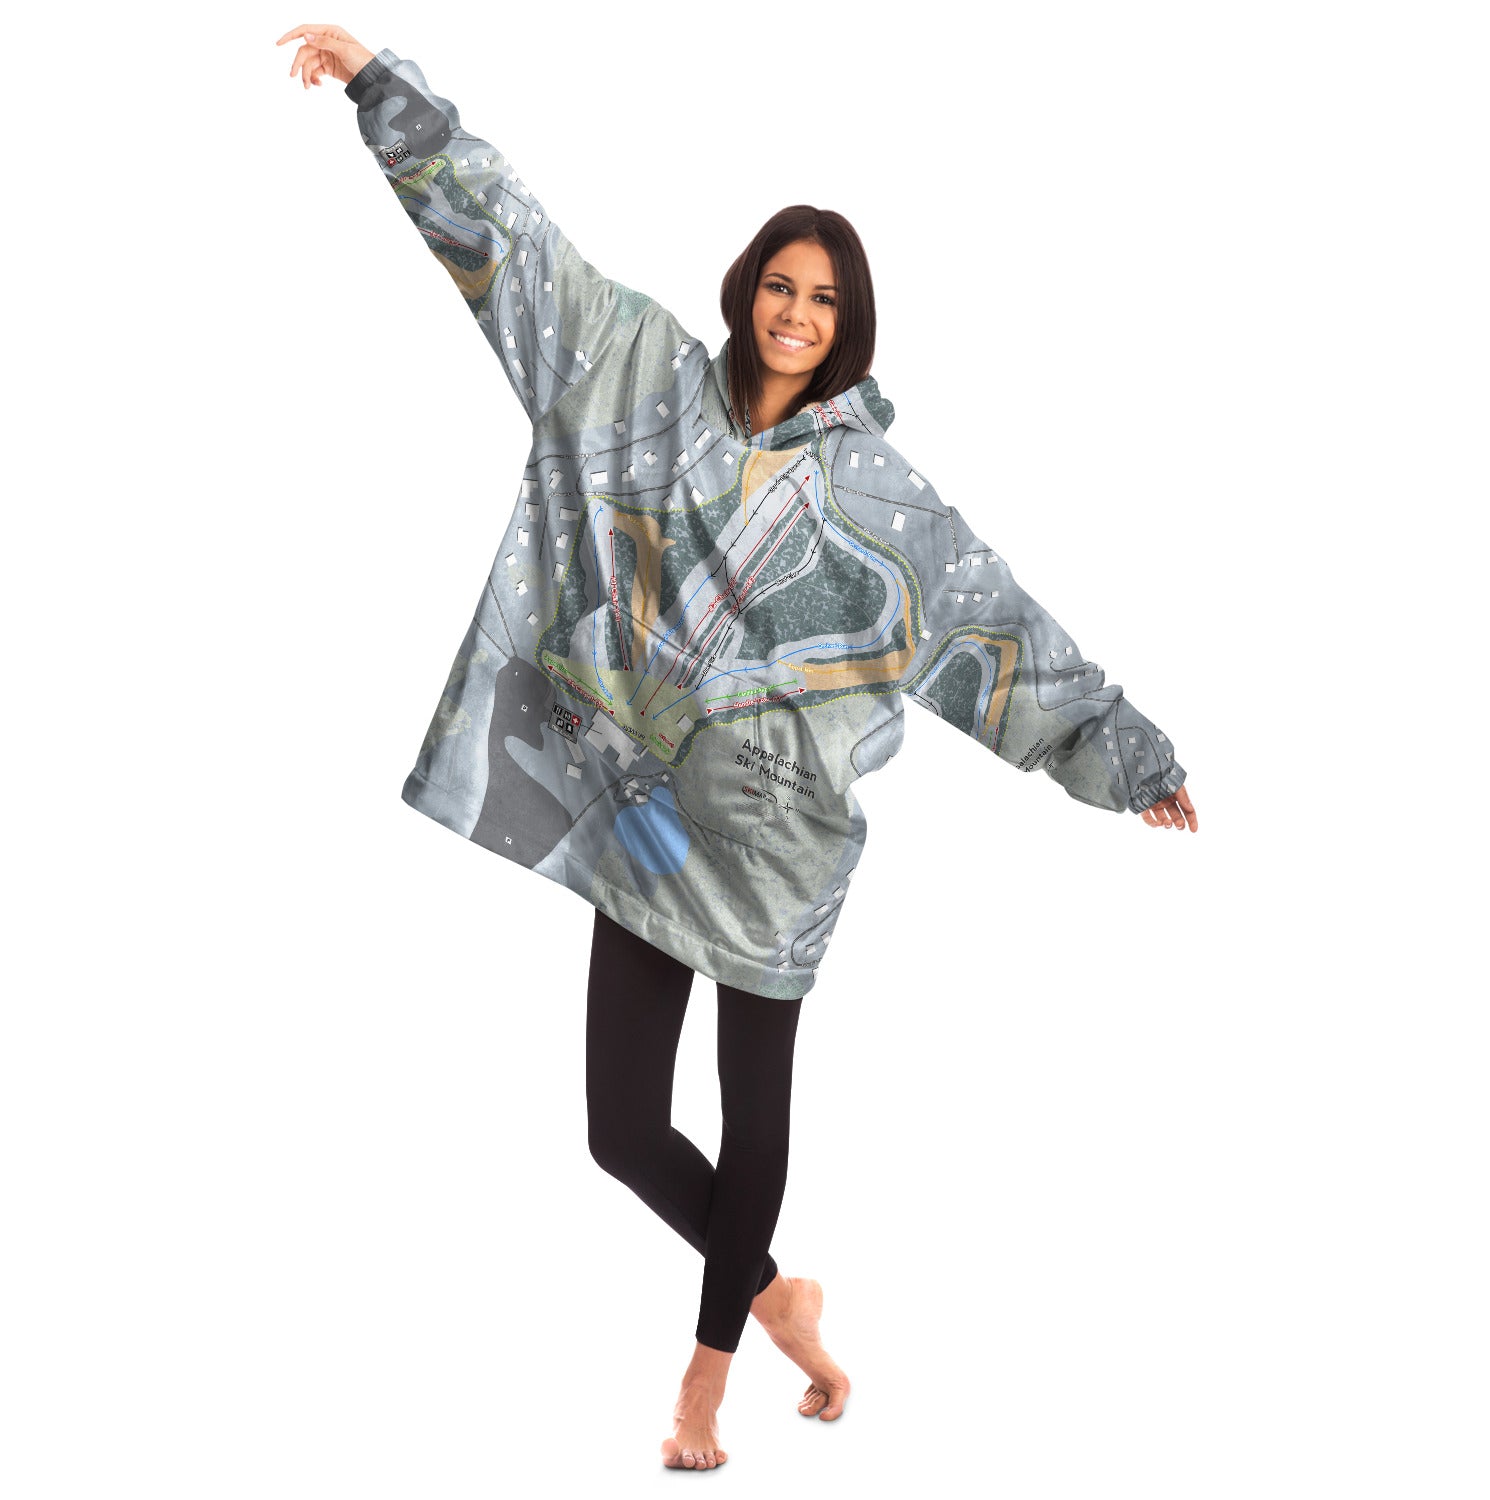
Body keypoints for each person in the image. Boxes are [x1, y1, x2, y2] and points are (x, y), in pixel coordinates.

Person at [279, 22, 1199, 1472]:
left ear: (850, 323)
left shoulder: (879, 492)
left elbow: (989, 619)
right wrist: (386, 96)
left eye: (823, 298)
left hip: (778, 847)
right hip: (640, 813)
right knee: (619, 1130)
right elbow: (520, 250)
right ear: (746, 288)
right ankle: (784, 1302)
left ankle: (701, 1391)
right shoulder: (633, 368)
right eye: (780, 284)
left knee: (752, 1117)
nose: (795, 312)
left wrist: (1123, 752)